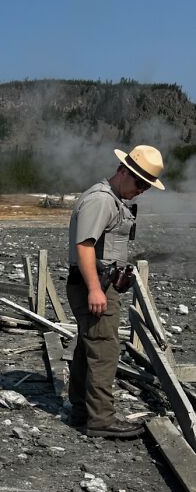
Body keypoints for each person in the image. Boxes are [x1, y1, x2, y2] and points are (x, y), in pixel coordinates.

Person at [66, 144, 165, 439]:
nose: (142, 190)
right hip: (94, 285)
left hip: (99, 283)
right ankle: (101, 420)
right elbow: (84, 245)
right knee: (105, 349)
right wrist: (95, 289)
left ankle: (82, 411)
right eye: (139, 182)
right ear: (123, 171)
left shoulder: (113, 199)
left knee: (89, 347)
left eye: (147, 186)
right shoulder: (101, 200)